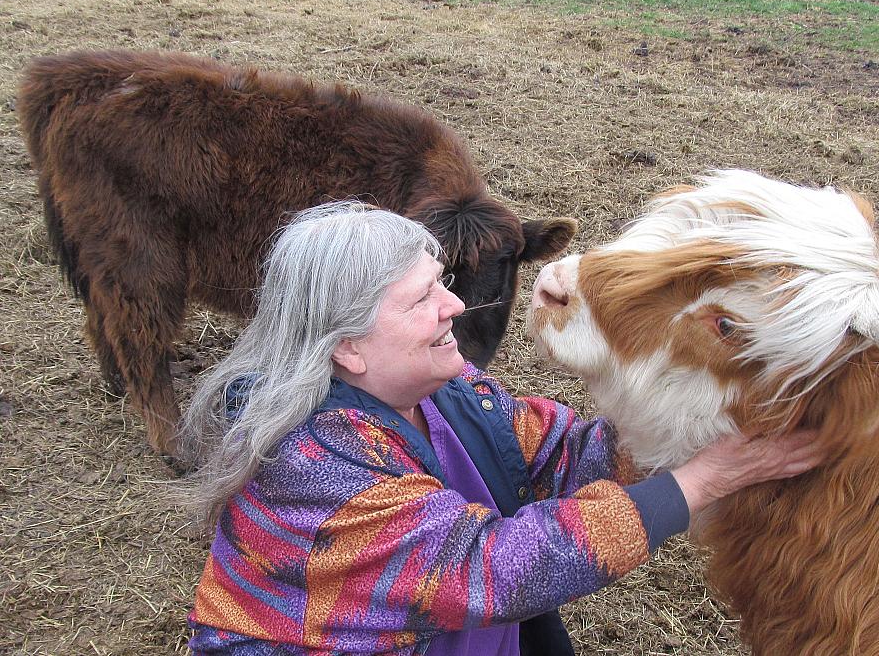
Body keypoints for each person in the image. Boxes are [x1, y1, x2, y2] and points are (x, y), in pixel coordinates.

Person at [178, 202, 824, 656]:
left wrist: (704, 411)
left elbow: (564, 454)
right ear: (348, 347)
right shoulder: (308, 461)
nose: (455, 306)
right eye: (421, 299)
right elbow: (491, 569)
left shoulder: (446, 391)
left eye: (443, 284)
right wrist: (700, 480)